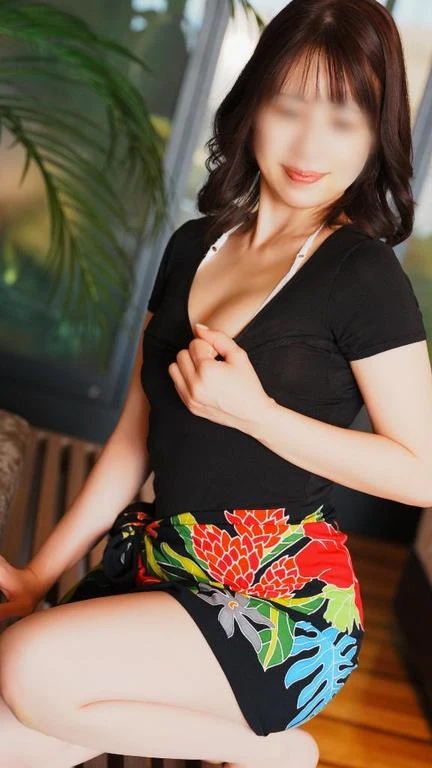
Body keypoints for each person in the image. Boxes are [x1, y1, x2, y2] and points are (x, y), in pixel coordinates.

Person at [0, 0, 431, 766]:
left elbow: (421, 471)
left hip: (282, 610)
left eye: (343, 120)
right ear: (253, 105)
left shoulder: (362, 275)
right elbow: (135, 438)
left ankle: (276, 753)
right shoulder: (192, 245)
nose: (309, 146)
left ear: (376, 135)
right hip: (165, 564)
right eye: (289, 107)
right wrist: (39, 573)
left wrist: (256, 414)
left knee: (28, 667)